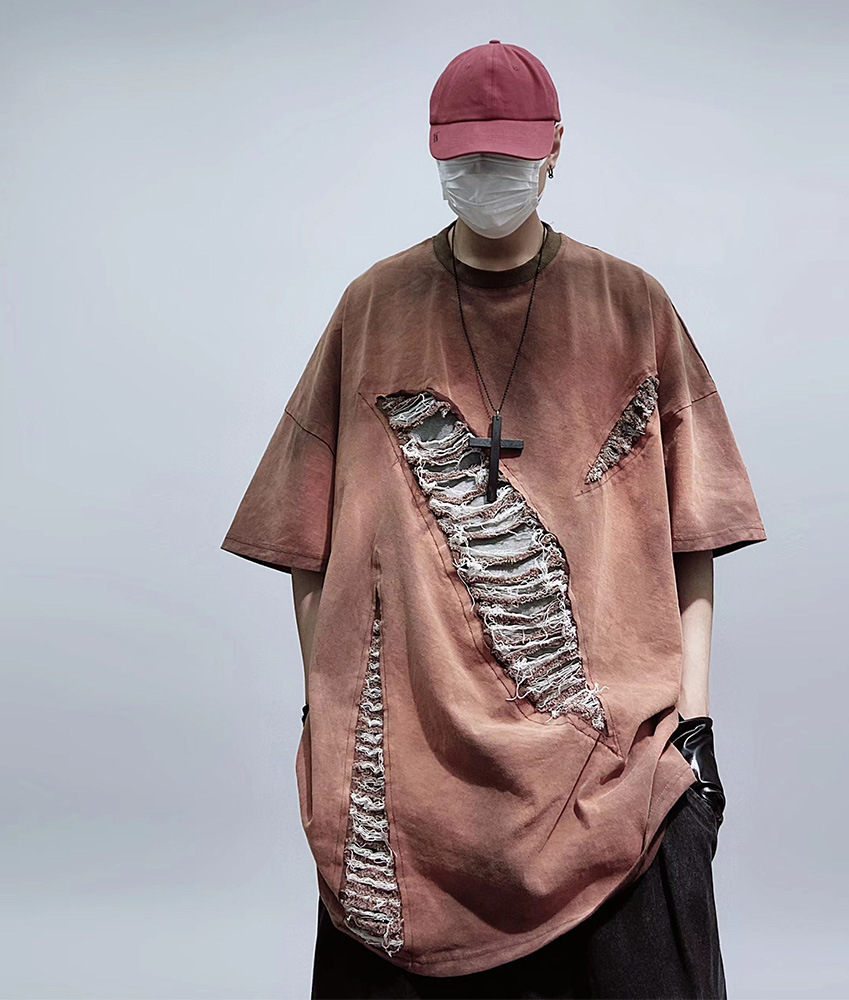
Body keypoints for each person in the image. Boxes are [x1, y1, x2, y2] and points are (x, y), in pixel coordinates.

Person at [220, 39, 766, 1000]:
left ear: (555, 150)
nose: (486, 176)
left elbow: (694, 538)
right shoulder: (374, 310)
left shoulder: (629, 307)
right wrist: (330, 709)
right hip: (412, 802)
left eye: (507, 157)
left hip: (616, 788)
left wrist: (696, 722)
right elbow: (305, 543)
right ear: (434, 155)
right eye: (465, 158)